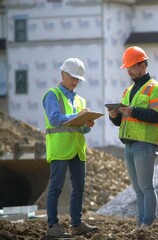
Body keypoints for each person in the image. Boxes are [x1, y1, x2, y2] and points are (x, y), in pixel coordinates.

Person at [108, 46, 158, 233]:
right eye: (127, 68)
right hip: (129, 145)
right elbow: (121, 122)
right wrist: (114, 116)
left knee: (146, 187)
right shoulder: (128, 91)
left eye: (132, 67)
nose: (129, 71)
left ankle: (147, 223)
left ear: (143, 64)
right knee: (138, 189)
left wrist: (133, 111)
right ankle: (140, 224)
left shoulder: (156, 89)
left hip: (145, 144)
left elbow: (157, 116)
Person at [42, 58, 99, 237]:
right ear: (62, 74)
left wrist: (86, 124)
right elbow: (55, 118)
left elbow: (78, 127)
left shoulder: (80, 100)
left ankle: (76, 224)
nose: (75, 82)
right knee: (56, 187)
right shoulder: (52, 95)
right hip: (59, 148)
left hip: (77, 148)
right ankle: (52, 226)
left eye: (78, 79)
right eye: (72, 77)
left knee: (79, 188)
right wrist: (79, 116)